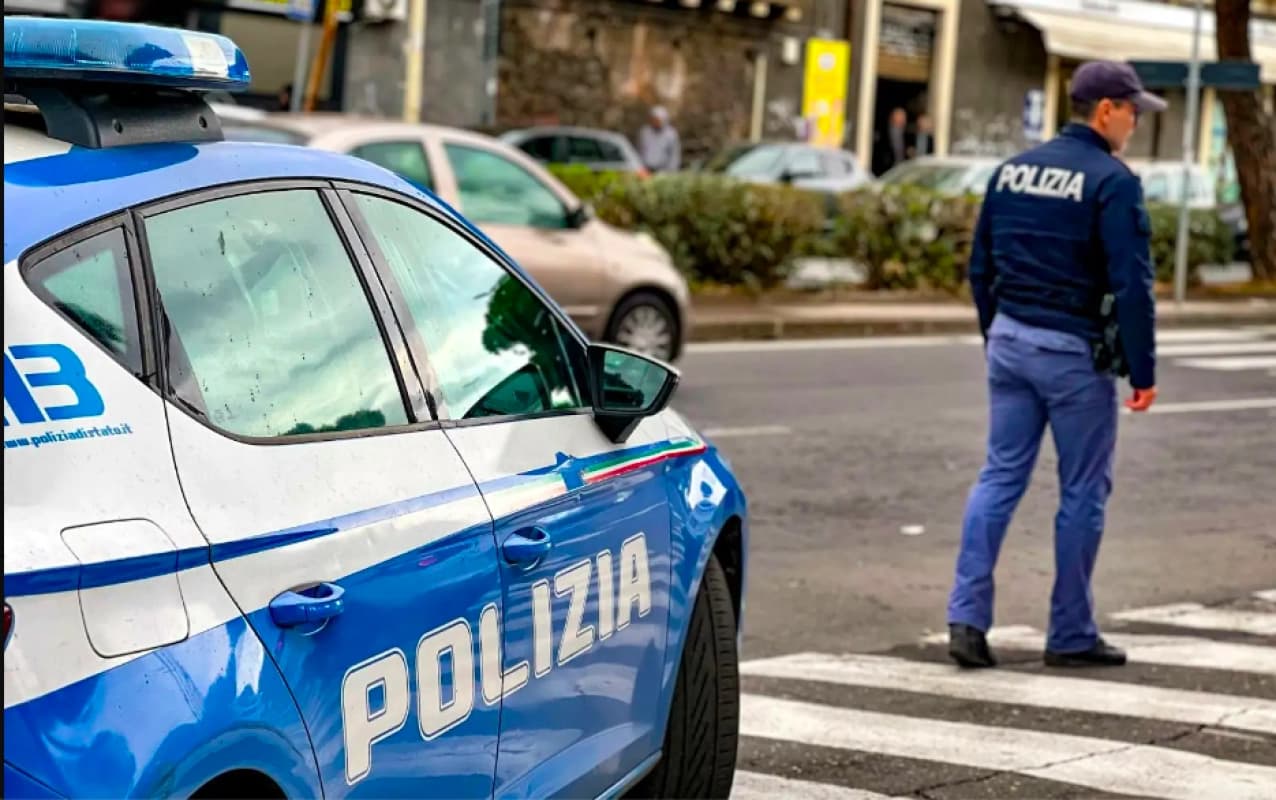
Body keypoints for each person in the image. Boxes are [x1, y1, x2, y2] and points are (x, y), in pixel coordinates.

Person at [945, 60, 1166, 670]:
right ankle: (1069, 631)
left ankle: (966, 619)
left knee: (998, 477)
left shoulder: (1013, 172)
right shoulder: (1111, 181)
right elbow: (1131, 284)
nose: (1135, 123)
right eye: (1133, 112)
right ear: (1105, 111)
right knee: (1082, 492)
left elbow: (981, 265)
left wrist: (998, 333)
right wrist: (1142, 372)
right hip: (1072, 354)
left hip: (1011, 340)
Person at [638, 106, 681, 173]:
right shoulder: (645, 132)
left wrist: (671, 171)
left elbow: (674, 155)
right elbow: (640, 150)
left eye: (657, 120)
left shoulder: (671, 134)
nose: (655, 122)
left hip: (663, 170)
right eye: (653, 119)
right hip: (646, 169)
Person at [873, 107, 909, 175]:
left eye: (904, 117)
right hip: (886, 170)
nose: (903, 119)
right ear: (892, 118)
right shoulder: (882, 133)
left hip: (903, 170)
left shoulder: (907, 134)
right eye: (900, 117)